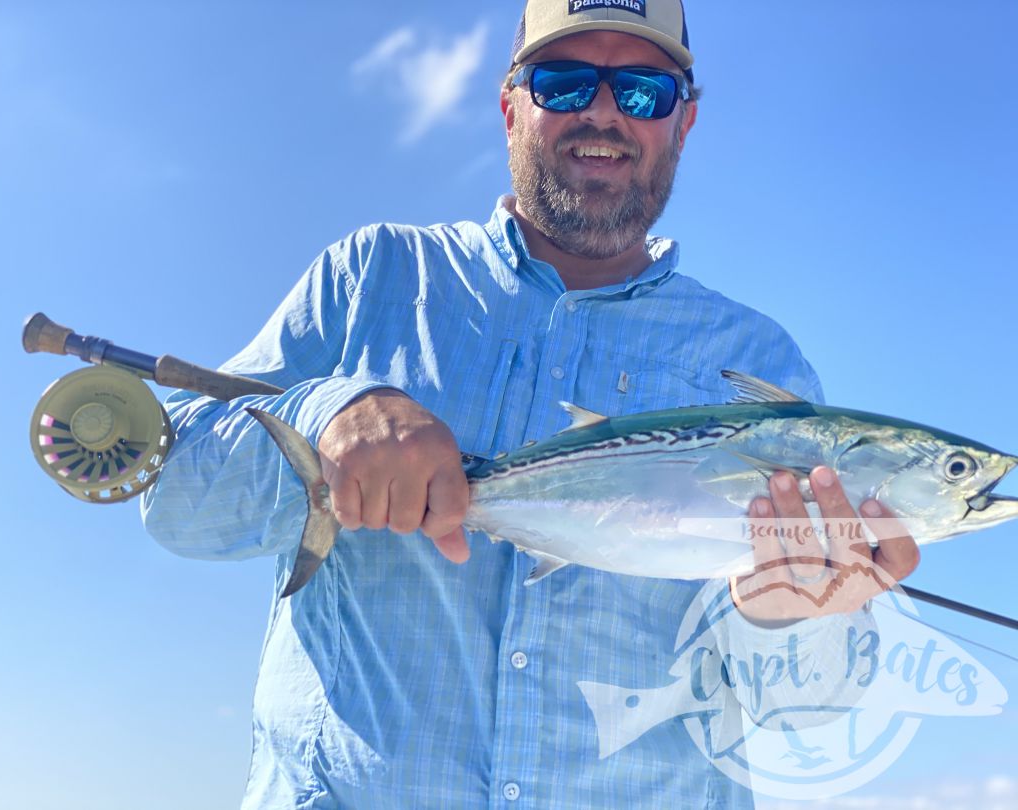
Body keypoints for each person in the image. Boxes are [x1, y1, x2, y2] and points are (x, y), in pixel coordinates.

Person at [143, 1, 920, 807]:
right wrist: (327, 415)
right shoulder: (373, 277)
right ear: (512, 105)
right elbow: (177, 500)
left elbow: (808, 708)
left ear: (683, 123)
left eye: (644, 91)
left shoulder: (757, 360)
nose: (605, 113)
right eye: (565, 81)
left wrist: (795, 620)